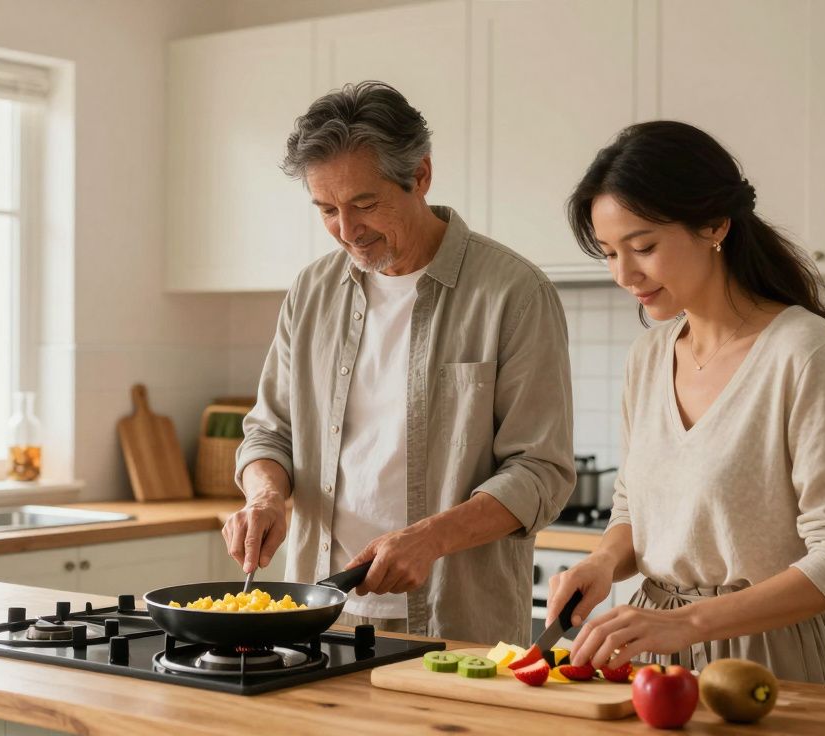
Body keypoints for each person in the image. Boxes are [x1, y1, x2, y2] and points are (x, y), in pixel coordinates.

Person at [222, 81, 574, 644]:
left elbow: (541, 472)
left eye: (365, 204)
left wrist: (429, 537)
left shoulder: (513, 292)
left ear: (421, 176)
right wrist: (265, 496)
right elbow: (270, 432)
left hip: (455, 620)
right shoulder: (311, 291)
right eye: (326, 210)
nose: (347, 230)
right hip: (318, 613)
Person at [548, 120, 825, 685]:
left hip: (766, 667)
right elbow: (636, 508)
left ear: (714, 225)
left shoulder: (804, 355)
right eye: (608, 253)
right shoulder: (649, 356)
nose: (624, 275)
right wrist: (602, 561)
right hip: (649, 661)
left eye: (644, 247)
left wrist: (691, 623)